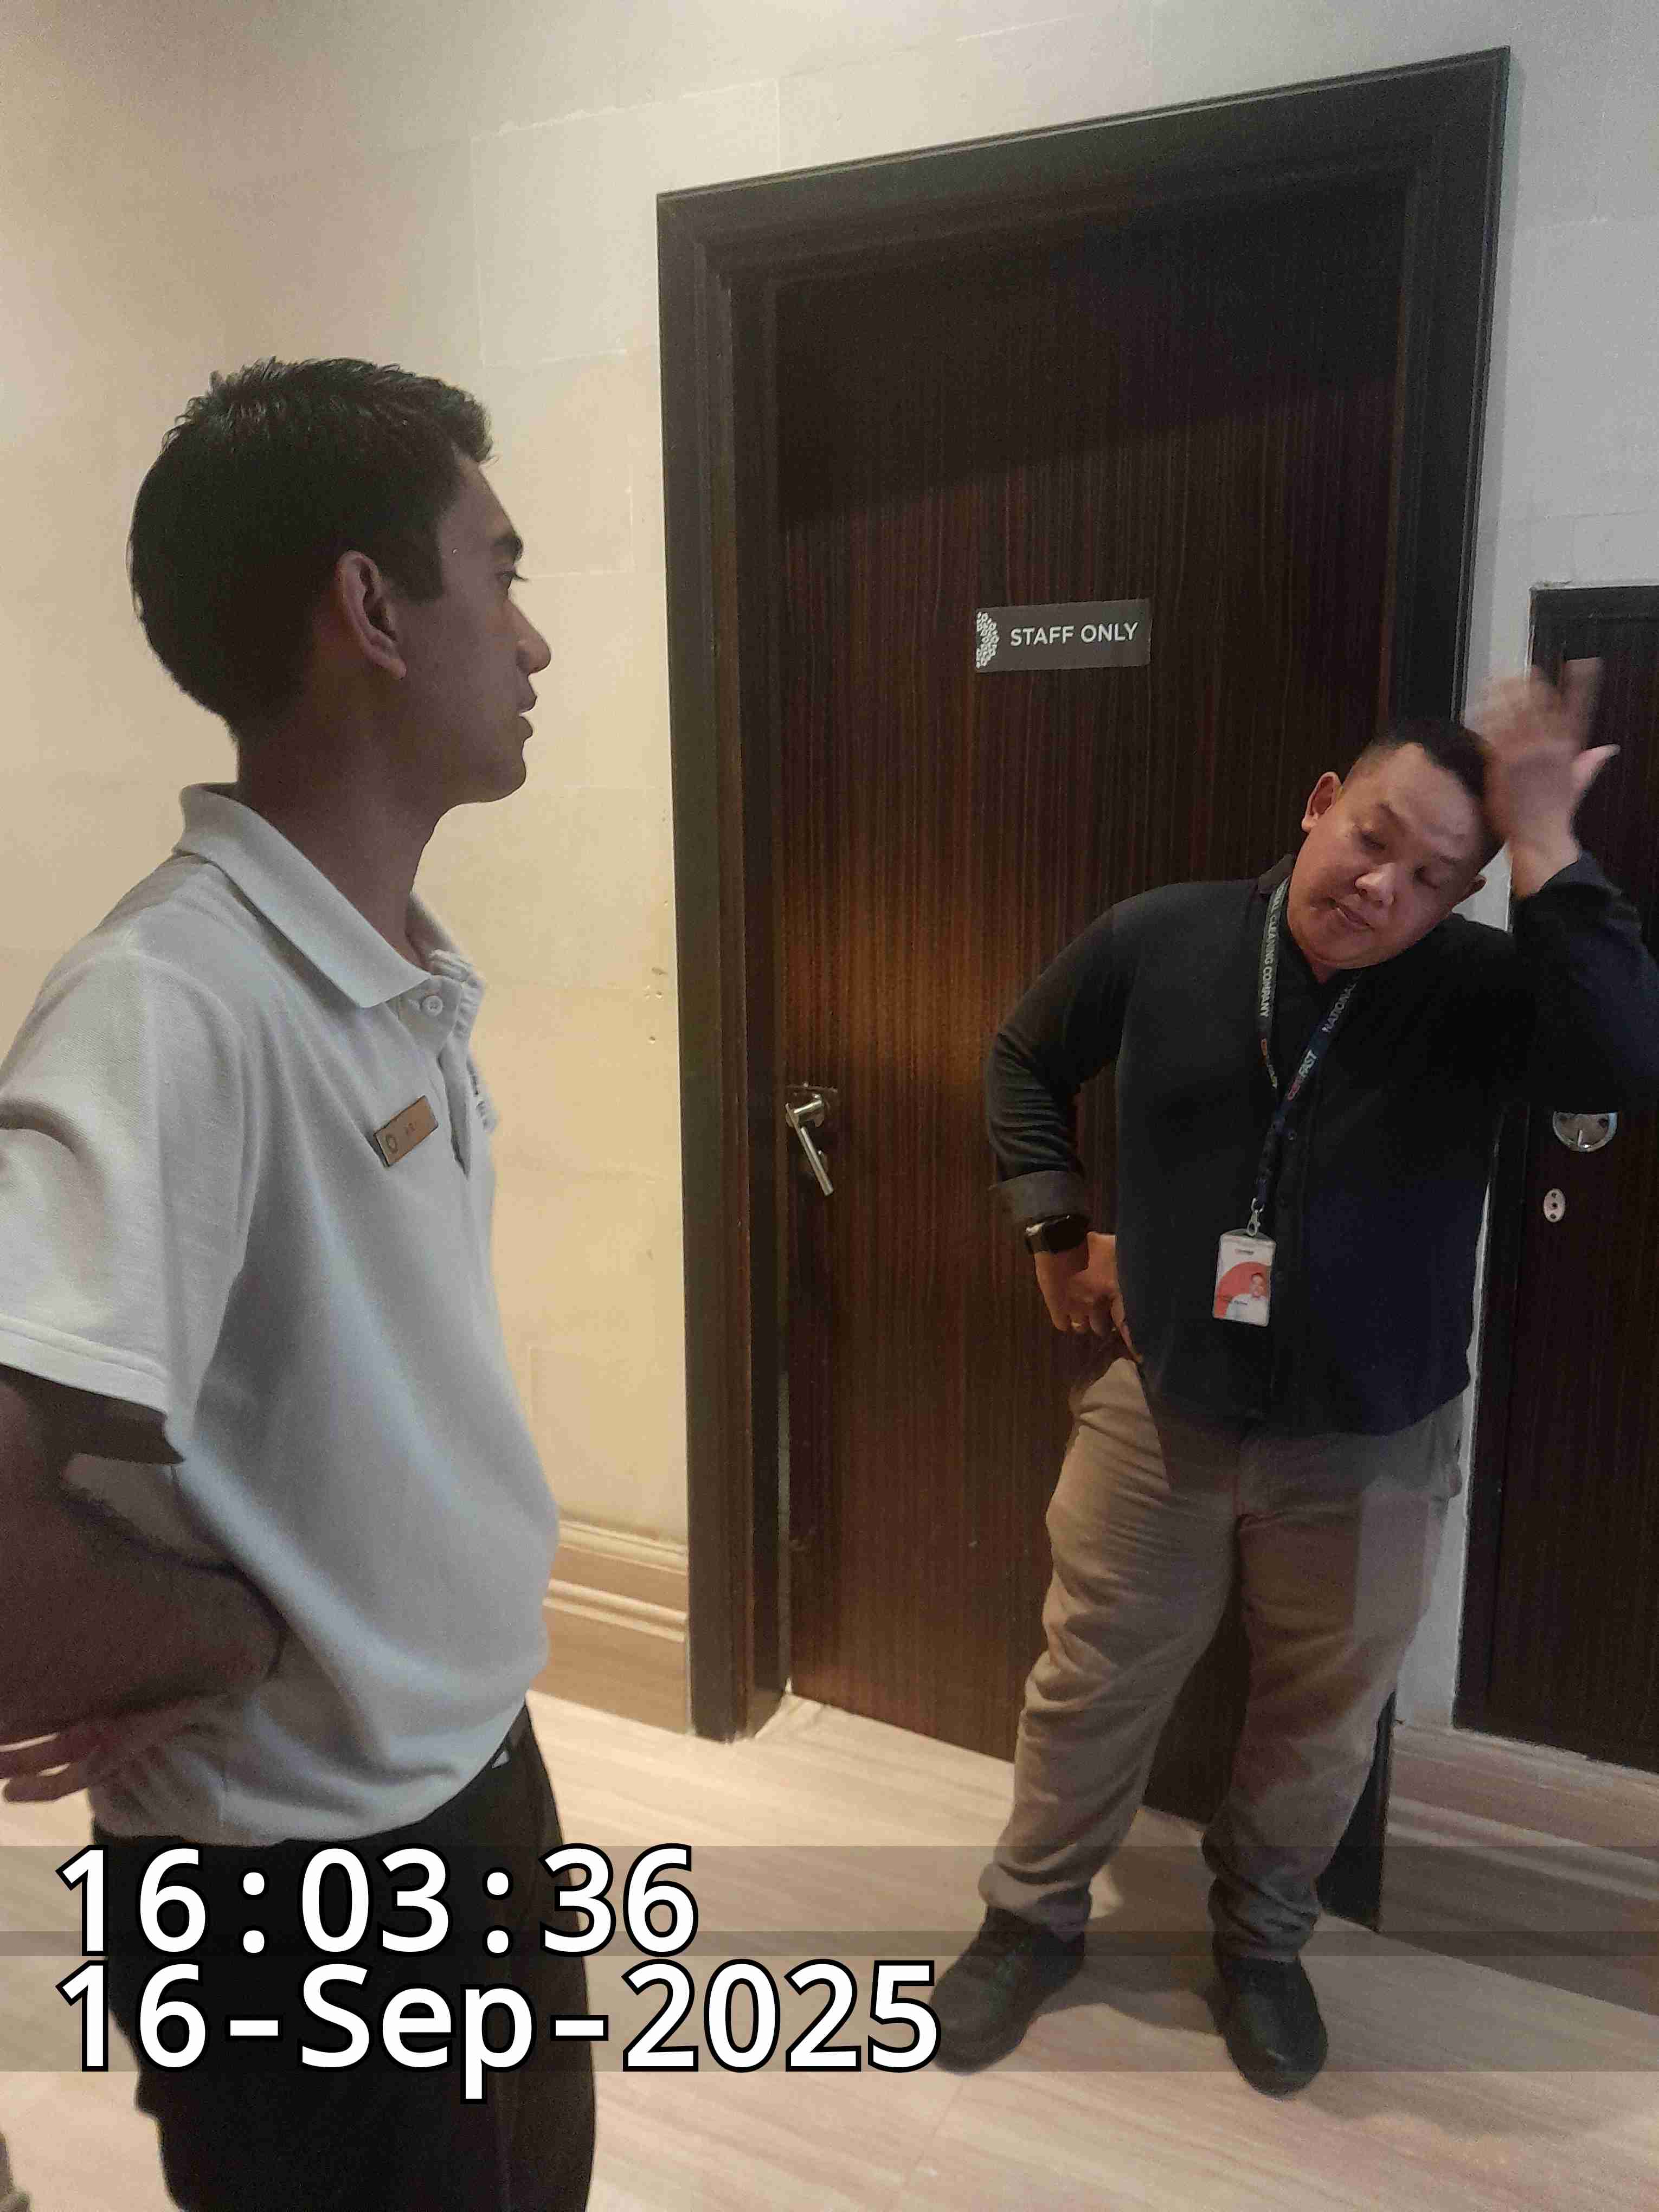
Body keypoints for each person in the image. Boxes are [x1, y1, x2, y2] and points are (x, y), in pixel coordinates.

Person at [0, 361, 594, 2208]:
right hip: (302, 1881)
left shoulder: (382, 964)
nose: (533, 638)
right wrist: (216, 1642)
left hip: (459, 1782)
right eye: (498, 571)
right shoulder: (169, 1005)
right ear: (371, 611)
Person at [933, 675, 1659, 2092]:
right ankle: (1028, 1922)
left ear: (1465, 893)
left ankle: (1261, 1944)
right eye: (1373, 838)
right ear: (1323, 803)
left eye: (1434, 875)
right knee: (1090, 1685)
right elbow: (1023, 1054)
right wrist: (1051, 1221)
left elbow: (1623, 1063)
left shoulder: (1480, 990)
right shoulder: (1167, 934)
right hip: (1162, 1409)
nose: (1383, 886)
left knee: (1320, 1724)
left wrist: (1547, 843)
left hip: (1375, 1436)